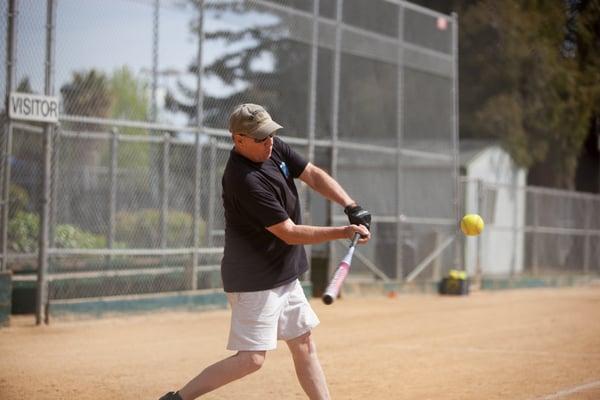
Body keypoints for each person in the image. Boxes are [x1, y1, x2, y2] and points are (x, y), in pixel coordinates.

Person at [159, 103, 372, 400]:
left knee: (304, 343)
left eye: (270, 134)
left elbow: (311, 174)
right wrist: (343, 232)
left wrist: (351, 206)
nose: (269, 141)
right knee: (251, 360)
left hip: (283, 271)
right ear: (238, 139)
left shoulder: (273, 147)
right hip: (255, 280)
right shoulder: (244, 180)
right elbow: (289, 232)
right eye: (260, 138)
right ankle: (177, 399)